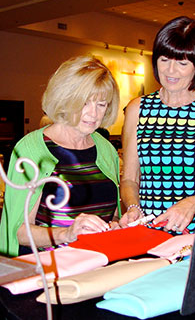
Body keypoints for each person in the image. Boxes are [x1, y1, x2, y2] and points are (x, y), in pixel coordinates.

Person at [119, 16, 195, 234]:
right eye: (164, 60)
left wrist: (194, 202)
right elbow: (130, 178)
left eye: (182, 63)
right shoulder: (137, 109)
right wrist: (132, 206)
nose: (170, 71)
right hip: (149, 232)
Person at [0, 55, 121, 257]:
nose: (93, 114)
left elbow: (113, 213)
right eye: (84, 103)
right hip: (51, 269)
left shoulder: (106, 149)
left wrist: (117, 224)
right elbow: (19, 232)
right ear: (65, 99)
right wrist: (67, 233)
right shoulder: (32, 150)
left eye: (101, 105)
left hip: (99, 263)